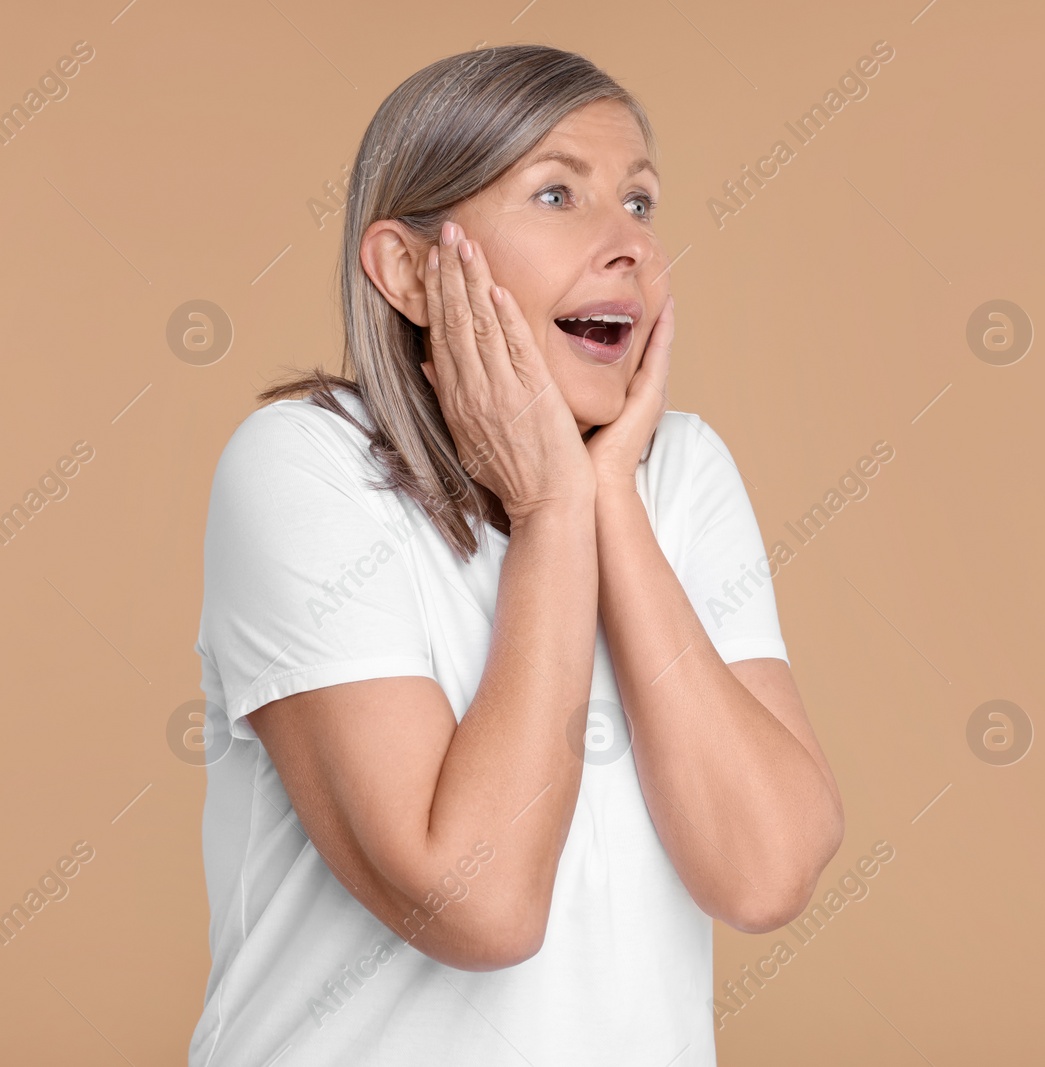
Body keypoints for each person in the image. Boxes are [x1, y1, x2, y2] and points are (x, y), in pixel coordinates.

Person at [188, 44, 843, 1067]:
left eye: (639, 202)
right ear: (408, 270)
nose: (627, 242)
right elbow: (480, 904)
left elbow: (764, 872)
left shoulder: (682, 474)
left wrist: (607, 496)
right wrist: (548, 511)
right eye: (556, 192)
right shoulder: (302, 465)